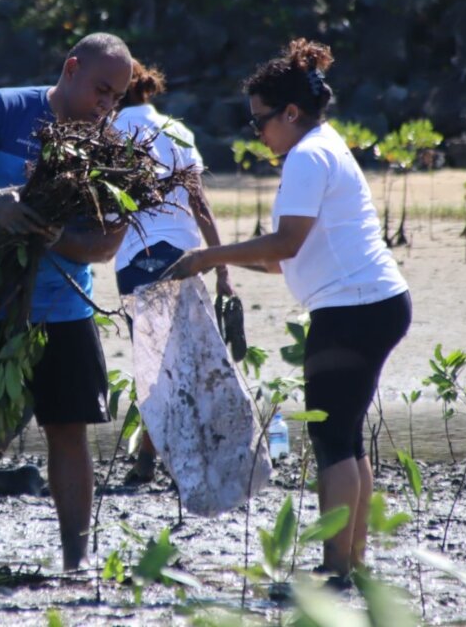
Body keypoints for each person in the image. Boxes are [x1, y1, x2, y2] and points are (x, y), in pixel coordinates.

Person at [165, 39, 411, 585]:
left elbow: (287, 243)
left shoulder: (306, 156)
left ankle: (334, 568)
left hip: (354, 309)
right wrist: (220, 263)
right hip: (376, 303)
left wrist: (209, 254)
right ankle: (352, 562)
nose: (259, 134)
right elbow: (280, 261)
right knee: (345, 436)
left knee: (331, 439)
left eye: (260, 122)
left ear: (291, 113)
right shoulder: (324, 147)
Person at [0, 32, 133, 570]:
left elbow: (106, 246)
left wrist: (52, 237)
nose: (107, 106)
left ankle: (76, 562)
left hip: (65, 310)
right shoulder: (5, 107)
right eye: (101, 91)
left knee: (69, 434)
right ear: (71, 69)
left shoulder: (111, 147)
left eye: (117, 98)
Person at [110, 59, 234, 483]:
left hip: (136, 259)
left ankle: (149, 462)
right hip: (185, 257)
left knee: (154, 364)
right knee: (179, 360)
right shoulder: (177, 131)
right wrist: (220, 268)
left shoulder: (110, 132)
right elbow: (201, 204)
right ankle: (162, 456)